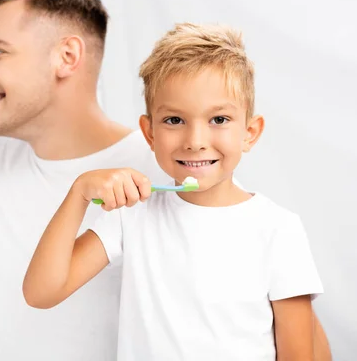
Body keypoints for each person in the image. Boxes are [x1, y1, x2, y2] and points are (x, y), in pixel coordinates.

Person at [0, 0, 331, 361]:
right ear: (152, 129)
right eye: (174, 120)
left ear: (67, 56)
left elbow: (291, 329)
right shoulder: (11, 169)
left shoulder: (160, 176)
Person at [23, 23, 326, 360]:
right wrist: (78, 192)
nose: (195, 141)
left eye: (220, 119)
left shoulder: (277, 228)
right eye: (174, 121)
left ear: (250, 133)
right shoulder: (132, 215)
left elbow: (301, 354)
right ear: (149, 132)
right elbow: (41, 293)